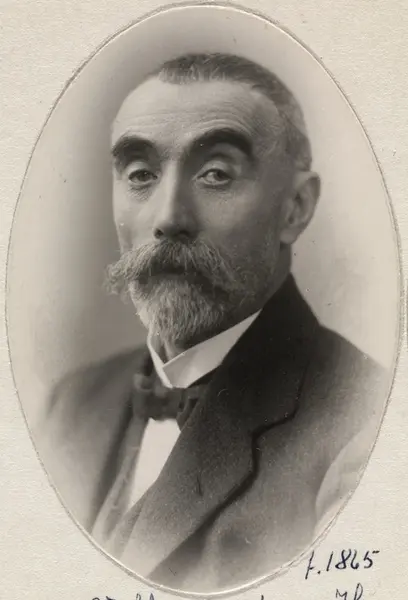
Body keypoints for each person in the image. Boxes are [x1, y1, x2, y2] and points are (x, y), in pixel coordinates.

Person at [40, 53, 387, 592]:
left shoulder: (365, 430)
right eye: (140, 175)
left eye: (216, 175)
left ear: (295, 208)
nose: (168, 218)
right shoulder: (70, 407)